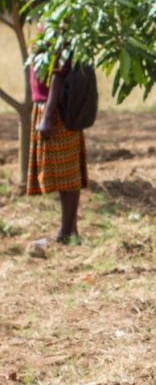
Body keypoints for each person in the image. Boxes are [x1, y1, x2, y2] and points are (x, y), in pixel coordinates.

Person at [26, 39, 87, 244]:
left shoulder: (58, 24)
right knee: (65, 174)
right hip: (51, 109)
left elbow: (58, 72)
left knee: (67, 175)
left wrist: (48, 116)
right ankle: (71, 232)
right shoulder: (47, 21)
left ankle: (65, 233)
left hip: (57, 110)